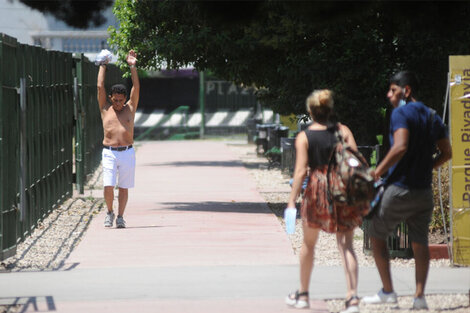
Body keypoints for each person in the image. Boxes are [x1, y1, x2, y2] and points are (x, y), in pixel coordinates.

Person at [362, 71, 452, 309]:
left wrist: (378, 170)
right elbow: (447, 153)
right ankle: (419, 297)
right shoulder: (433, 116)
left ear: (407, 91)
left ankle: (388, 291)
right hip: (423, 192)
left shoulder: (400, 112)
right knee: (419, 242)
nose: (388, 95)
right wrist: (427, 167)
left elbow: (400, 146)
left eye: (393, 90)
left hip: (400, 189)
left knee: (376, 234)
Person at [285, 89, 368, 313]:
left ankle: (303, 295)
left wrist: (292, 201)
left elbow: (301, 171)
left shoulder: (304, 137)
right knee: (346, 245)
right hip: (342, 190)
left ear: (310, 111)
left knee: (309, 245)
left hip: (316, 190)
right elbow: (355, 162)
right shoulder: (344, 131)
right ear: (330, 109)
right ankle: (352, 298)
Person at [97, 50, 140, 228]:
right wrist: (103, 65)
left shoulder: (130, 108)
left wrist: (132, 67)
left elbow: (136, 88)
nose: (118, 104)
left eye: (121, 100)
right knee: (108, 185)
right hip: (109, 152)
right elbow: (100, 87)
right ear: (110, 98)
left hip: (127, 152)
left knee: (123, 187)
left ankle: (120, 216)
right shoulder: (105, 108)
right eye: (115, 100)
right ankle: (109, 212)